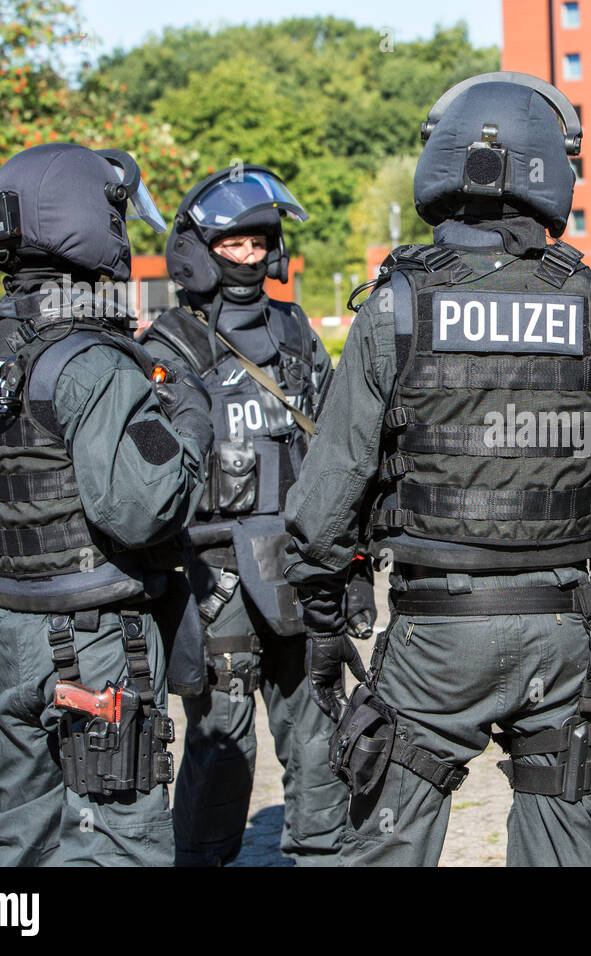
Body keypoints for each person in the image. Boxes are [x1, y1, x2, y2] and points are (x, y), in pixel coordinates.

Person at [282, 71, 591, 867]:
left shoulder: (393, 308)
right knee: (559, 836)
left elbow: (324, 506)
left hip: (437, 632)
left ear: (441, 168)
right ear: (552, 174)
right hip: (568, 630)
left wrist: (325, 630)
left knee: (386, 842)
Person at [0, 142, 213, 865]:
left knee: (25, 836)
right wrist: (191, 420)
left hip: (13, 631)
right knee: (121, 842)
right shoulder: (90, 358)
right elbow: (143, 510)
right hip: (98, 640)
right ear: (90, 221)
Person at [139, 166, 372, 866]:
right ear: (199, 251)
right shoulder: (167, 346)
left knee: (317, 722)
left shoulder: (297, 331)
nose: (247, 257)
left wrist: (354, 561)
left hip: (302, 566)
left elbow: (339, 446)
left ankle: (322, 853)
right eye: (232, 243)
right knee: (221, 741)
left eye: (258, 243)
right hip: (214, 577)